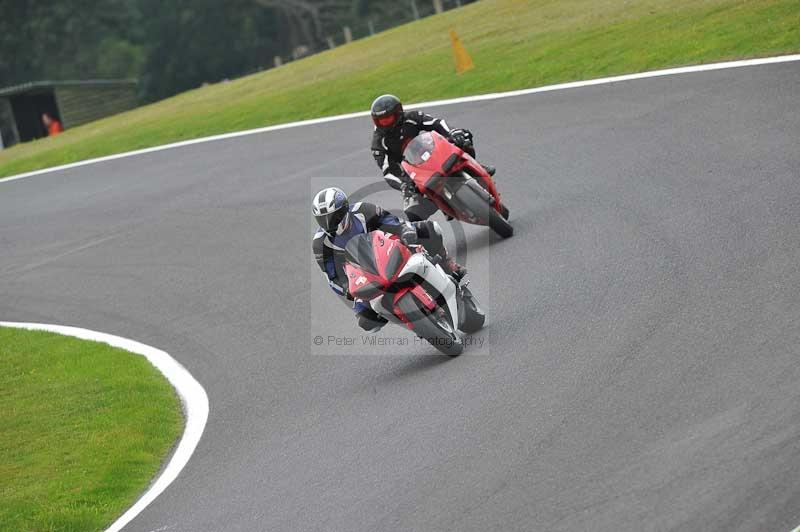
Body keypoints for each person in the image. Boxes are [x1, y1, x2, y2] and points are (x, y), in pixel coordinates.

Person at [312, 186, 465, 332]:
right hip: (364, 276)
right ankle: (410, 319)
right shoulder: (320, 244)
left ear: (345, 209)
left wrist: (405, 231)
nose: (329, 224)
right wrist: (347, 289)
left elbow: (392, 222)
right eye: (322, 220)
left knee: (430, 230)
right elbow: (333, 277)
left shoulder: (362, 210)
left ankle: (448, 264)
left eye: (333, 217)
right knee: (366, 321)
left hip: (388, 248)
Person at [370, 94, 495, 221]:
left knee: (463, 138)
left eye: (388, 119)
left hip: (431, 153)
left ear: (398, 112)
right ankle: (441, 209)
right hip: (412, 175)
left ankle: (477, 166)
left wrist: (453, 132)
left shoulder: (412, 118)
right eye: (381, 121)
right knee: (412, 215)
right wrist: (404, 185)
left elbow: (437, 123)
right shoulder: (378, 143)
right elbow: (388, 172)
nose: (385, 124)